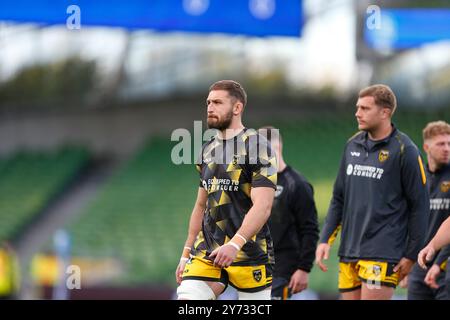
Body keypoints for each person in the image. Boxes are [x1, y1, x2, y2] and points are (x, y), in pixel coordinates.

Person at [315, 84, 429, 300]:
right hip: (349, 251)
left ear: (385, 112)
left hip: (383, 253)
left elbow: (420, 206)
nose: (357, 113)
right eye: (357, 107)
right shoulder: (352, 145)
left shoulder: (405, 150)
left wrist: (411, 254)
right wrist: (324, 240)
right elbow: (338, 198)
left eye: (365, 108)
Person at [175, 80, 277, 300]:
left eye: (218, 102)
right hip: (207, 251)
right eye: (208, 102)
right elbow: (201, 205)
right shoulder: (206, 150)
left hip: (249, 252)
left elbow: (264, 206)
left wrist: (235, 244)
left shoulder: (258, 147)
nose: (210, 107)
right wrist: (186, 253)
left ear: (237, 108)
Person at [258, 126, 319, 300]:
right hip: (255, 266)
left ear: (277, 148)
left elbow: (310, 230)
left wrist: (304, 269)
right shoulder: (255, 183)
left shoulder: (297, 185)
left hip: (283, 267)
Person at [407, 121, 450, 300]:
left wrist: (439, 263)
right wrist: (408, 262)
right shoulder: (417, 178)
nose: (447, 148)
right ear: (426, 147)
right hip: (420, 265)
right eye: (441, 144)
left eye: (449, 144)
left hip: (445, 264)